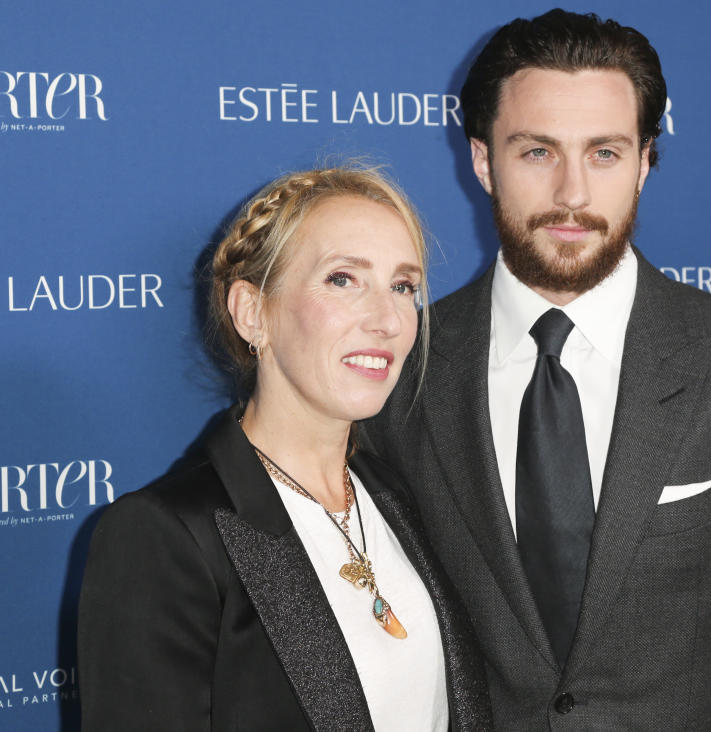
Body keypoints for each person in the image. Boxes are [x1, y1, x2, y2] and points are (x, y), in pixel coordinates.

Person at [361, 9, 711, 730]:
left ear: (646, 160)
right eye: (537, 152)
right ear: (484, 161)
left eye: (604, 154)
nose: (572, 194)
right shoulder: (402, 369)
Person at [77, 165, 492, 731]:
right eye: (343, 279)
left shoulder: (389, 491)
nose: (388, 319)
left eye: (403, 286)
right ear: (253, 313)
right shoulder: (165, 536)